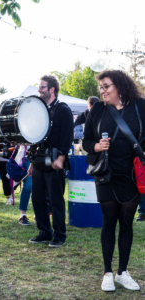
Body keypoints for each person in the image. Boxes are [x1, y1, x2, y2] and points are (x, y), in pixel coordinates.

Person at [83, 70, 143, 292]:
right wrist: (97, 146)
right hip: (106, 173)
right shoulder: (98, 108)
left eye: (106, 86)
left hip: (131, 175)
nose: (102, 90)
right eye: (101, 87)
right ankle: (108, 273)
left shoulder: (140, 106)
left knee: (127, 221)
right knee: (109, 220)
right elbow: (87, 140)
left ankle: (123, 272)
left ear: (119, 85)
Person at [28, 75, 73, 248]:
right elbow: (37, 138)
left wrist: (61, 158)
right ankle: (44, 232)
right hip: (39, 160)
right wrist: (32, 163)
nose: (39, 90)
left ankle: (59, 235)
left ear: (52, 89)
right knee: (38, 197)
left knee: (55, 199)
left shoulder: (63, 109)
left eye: (42, 87)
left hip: (55, 159)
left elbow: (67, 136)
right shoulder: (41, 110)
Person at [15, 145, 32, 226]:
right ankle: (22, 215)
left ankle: (39, 214)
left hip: (42, 155)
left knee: (41, 188)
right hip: (27, 156)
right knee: (28, 186)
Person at [0, 137, 13, 205]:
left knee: (13, 179)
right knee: (5, 179)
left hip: (12, 161)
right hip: (2, 162)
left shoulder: (12, 136)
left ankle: (10, 194)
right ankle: (8, 198)